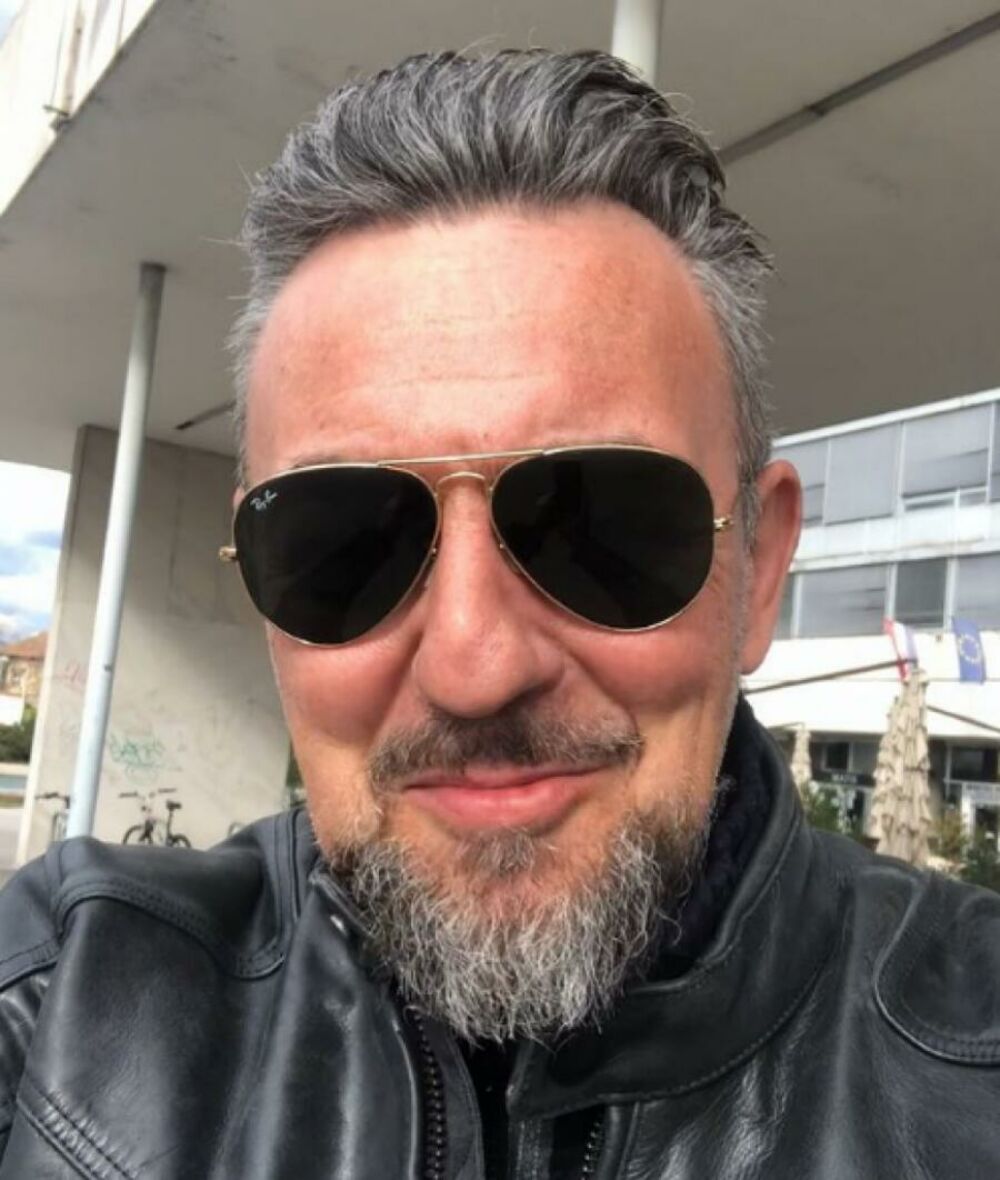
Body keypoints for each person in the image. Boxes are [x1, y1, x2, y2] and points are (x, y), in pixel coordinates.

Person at [0, 49, 997, 1180]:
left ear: (758, 569)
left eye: (601, 527)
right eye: (345, 543)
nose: (474, 666)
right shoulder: (57, 1003)